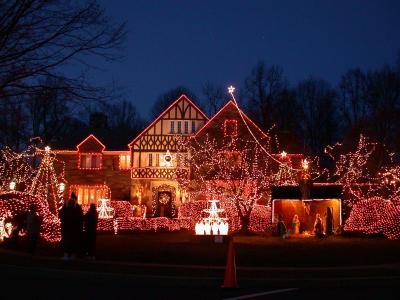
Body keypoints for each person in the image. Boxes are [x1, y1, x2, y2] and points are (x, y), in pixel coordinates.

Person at [59, 192, 83, 260]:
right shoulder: (77, 208)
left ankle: (67, 254)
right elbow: (80, 218)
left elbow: (61, 215)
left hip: (68, 227)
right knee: (72, 241)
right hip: (73, 228)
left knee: (68, 241)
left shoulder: (66, 207)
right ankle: (72, 254)